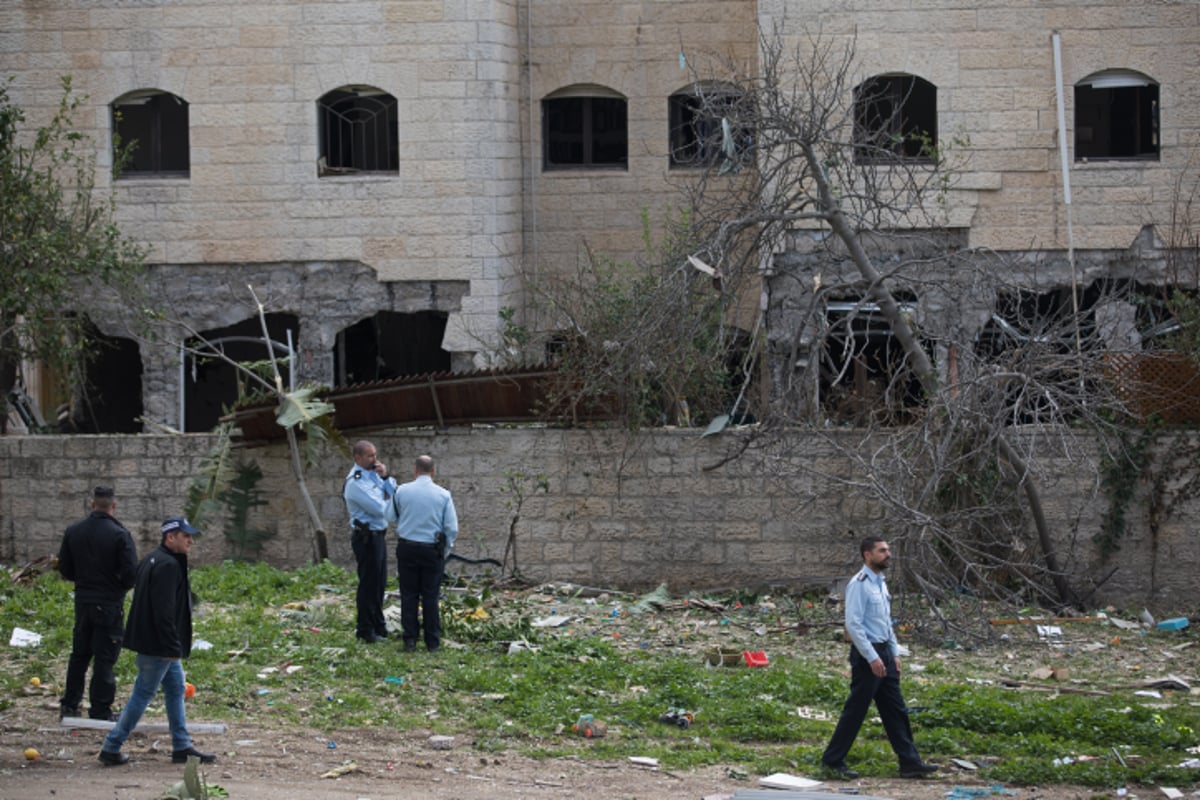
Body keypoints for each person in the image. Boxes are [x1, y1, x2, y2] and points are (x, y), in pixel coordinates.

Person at [98, 517, 215, 767]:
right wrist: (172, 646)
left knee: (175, 689)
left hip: (153, 642)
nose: (191, 541)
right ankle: (111, 746)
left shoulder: (152, 559)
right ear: (170, 537)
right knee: (142, 694)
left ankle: (181, 746)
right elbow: (164, 612)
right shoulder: (168, 565)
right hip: (159, 646)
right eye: (186, 536)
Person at [821, 537, 938, 780]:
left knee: (896, 711)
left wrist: (894, 653)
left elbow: (886, 623)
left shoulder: (881, 584)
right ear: (867, 555)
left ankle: (910, 762)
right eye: (882, 551)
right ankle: (832, 760)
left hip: (884, 652)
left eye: (888, 550)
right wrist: (872, 658)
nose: (888, 554)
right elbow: (854, 624)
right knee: (856, 710)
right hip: (868, 656)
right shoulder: (859, 584)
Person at [57, 486, 139, 721]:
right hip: (109, 603)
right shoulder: (119, 534)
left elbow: (65, 567)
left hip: (83, 601)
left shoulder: (74, 531)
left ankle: (70, 705)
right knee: (104, 658)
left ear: (93, 504)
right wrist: (117, 587)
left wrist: (83, 581)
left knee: (79, 655)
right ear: (113, 506)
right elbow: (130, 573)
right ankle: (100, 709)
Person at [392, 454, 458, 652]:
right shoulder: (443, 495)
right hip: (432, 549)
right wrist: (445, 550)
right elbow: (451, 527)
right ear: (433, 471)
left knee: (409, 594)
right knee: (430, 596)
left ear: (415, 470)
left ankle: (410, 639)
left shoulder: (401, 491)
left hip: (407, 547)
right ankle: (432, 642)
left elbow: (390, 515)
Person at [343, 440, 398, 643]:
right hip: (366, 538)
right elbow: (381, 509)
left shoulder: (374, 475)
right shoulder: (356, 482)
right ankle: (365, 630)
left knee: (380, 583)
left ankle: (378, 626)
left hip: (378, 535)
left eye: (375, 455)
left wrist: (386, 477)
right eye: (369, 456)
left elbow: (394, 494)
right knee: (369, 585)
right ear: (357, 458)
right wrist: (386, 497)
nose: (374, 459)